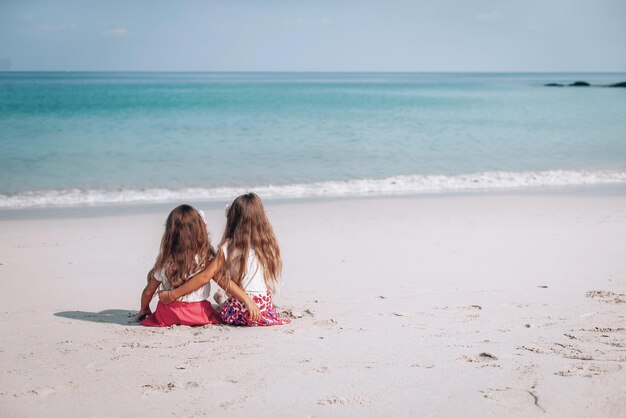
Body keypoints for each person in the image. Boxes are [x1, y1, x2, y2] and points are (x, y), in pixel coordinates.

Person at [159, 193, 290, 326]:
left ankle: (223, 301)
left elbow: (205, 277)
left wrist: (172, 294)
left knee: (224, 297)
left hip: (240, 313)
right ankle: (225, 299)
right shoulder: (268, 245)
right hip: (264, 309)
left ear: (233, 219)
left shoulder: (228, 247)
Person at [137, 204, 260, 326]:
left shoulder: (166, 261)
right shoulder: (206, 257)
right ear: (199, 229)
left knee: (161, 309)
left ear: (170, 233)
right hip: (197, 313)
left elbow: (148, 291)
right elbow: (223, 281)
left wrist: (144, 309)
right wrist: (245, 299)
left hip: (169, 315)